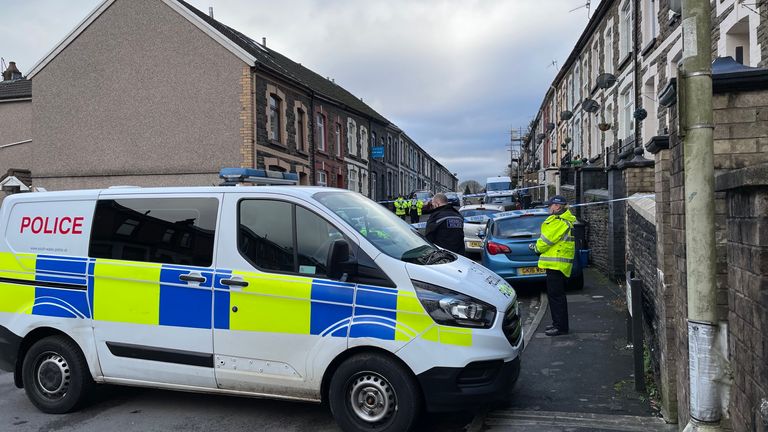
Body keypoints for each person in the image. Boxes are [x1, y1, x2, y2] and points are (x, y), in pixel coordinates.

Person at [529, 195, 576, 336]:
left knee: (556, 297)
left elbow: (546, 241)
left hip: (556, 265)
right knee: (555, 296)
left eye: (550, 205)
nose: (548, 207)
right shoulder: (562, 220)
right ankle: (558, 324)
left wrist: (536, 248)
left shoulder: (559, 222)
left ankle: (561, 327)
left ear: (557, 206)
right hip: (555, 264)